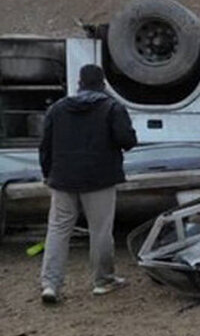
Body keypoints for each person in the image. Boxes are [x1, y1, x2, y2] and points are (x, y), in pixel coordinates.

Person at [39, 65, 137, 304]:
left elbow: (45, 146)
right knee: (100, 231)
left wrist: (47, 174)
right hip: (99, 179)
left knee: (58, 230)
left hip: (62, 178)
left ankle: (51, 285)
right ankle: (103, 281)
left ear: (79, 83)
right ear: (103, 83)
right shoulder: (112, 107)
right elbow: (127, 141)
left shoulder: (57, 109)